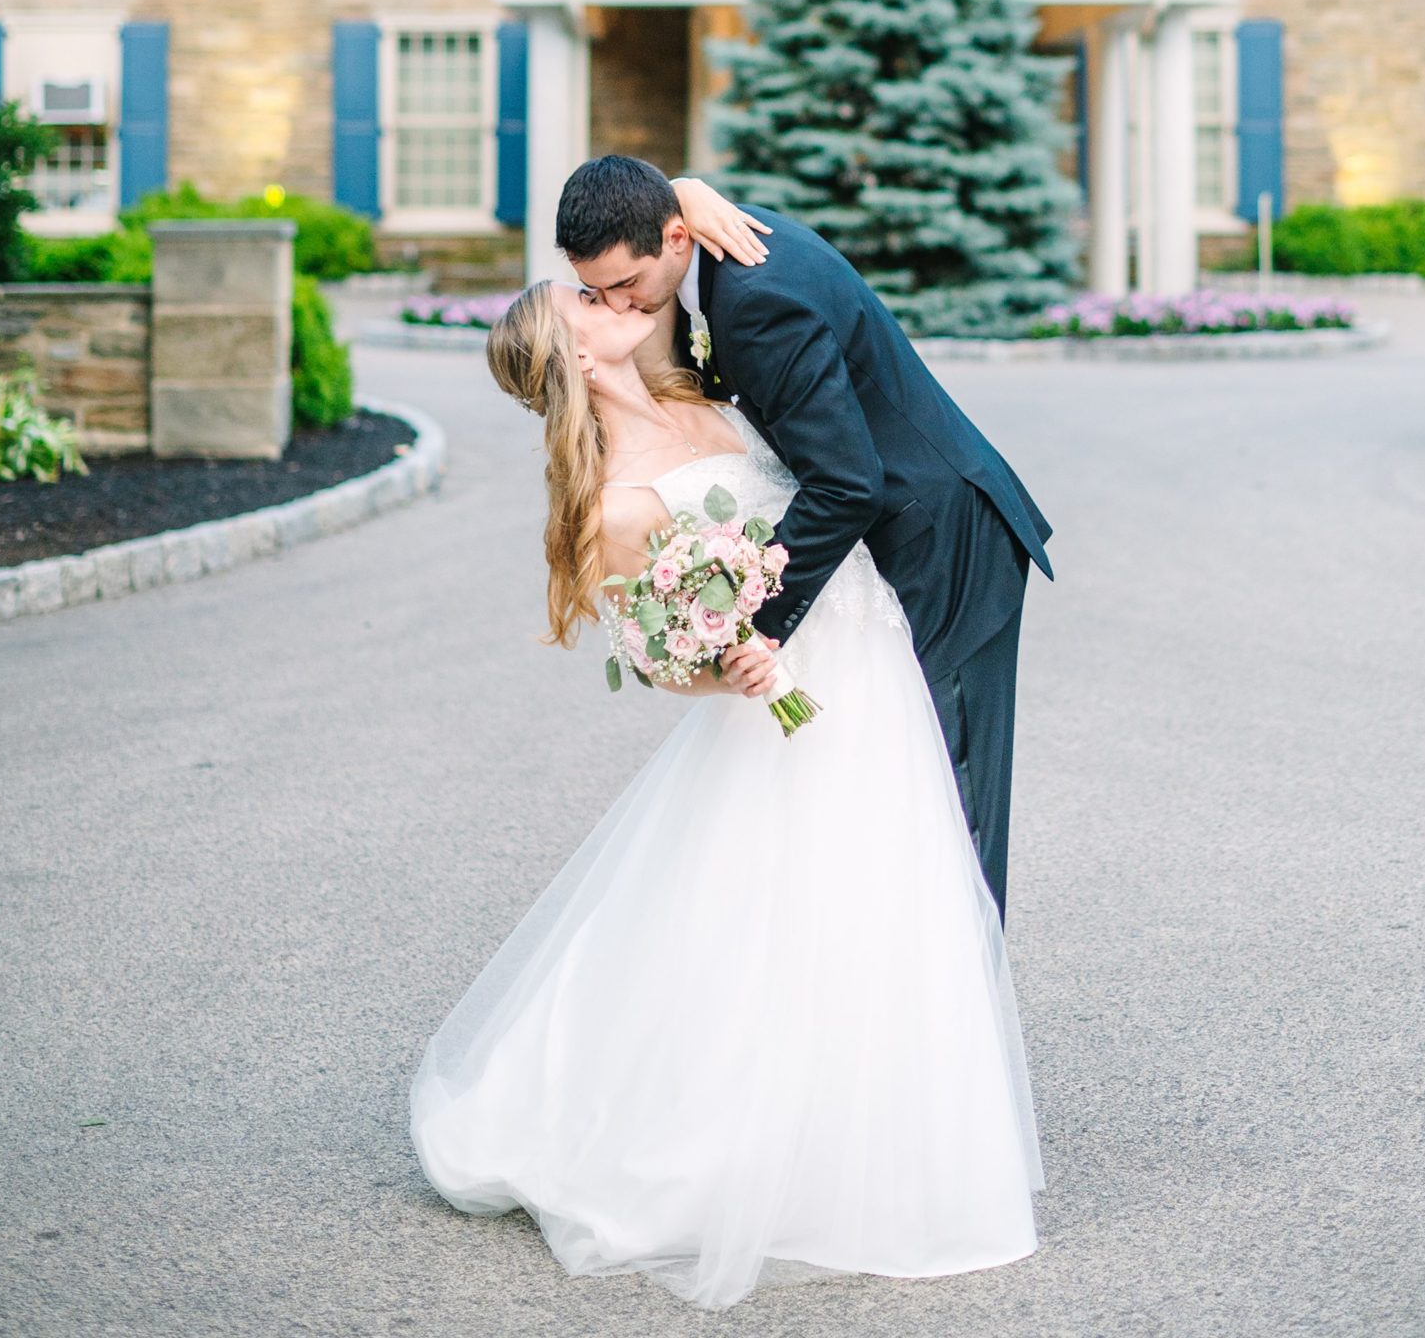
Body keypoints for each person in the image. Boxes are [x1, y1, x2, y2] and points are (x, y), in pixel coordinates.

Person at [410, 262, 1041, 1309]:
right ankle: (770, 1151)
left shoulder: (703, 390)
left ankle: (882, 1132)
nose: (605, 298)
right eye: (583, 301)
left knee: (890, 897)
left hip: (869, 654)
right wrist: (730, 657)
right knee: (797, 920)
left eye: (604, 287)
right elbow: (660, 659)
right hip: (788, 699)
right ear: (574, 350)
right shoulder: (615, 503)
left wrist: (691, 202)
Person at [556, 155, 1053, 922]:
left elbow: (846, 483)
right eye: (597, 291)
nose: (621, 303)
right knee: (901, 780)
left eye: (628, 285)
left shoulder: (753, 300)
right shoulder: (699, 252)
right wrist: (685, 184)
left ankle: (961, 1000)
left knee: (953, 788)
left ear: (676, 238)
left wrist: (760, 624)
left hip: (944, 536)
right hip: (910, 532)